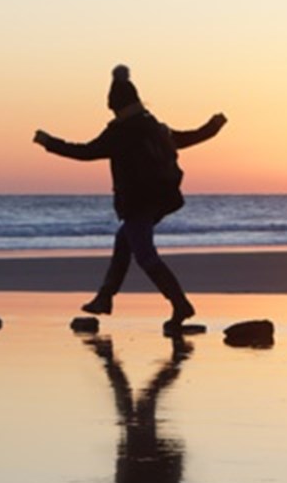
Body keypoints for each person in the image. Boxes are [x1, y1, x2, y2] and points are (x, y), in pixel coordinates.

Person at [33, 65, 226, 331]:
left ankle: (180, 304)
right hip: (161, 199)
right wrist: (213, 126)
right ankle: (105, 298)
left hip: (138, 203)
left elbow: (86, 152)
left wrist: (49, 142)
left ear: (116, 106)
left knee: (146, 255)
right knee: (124, 240)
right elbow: (187, 138)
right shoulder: (154, 126)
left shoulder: (121, 132)